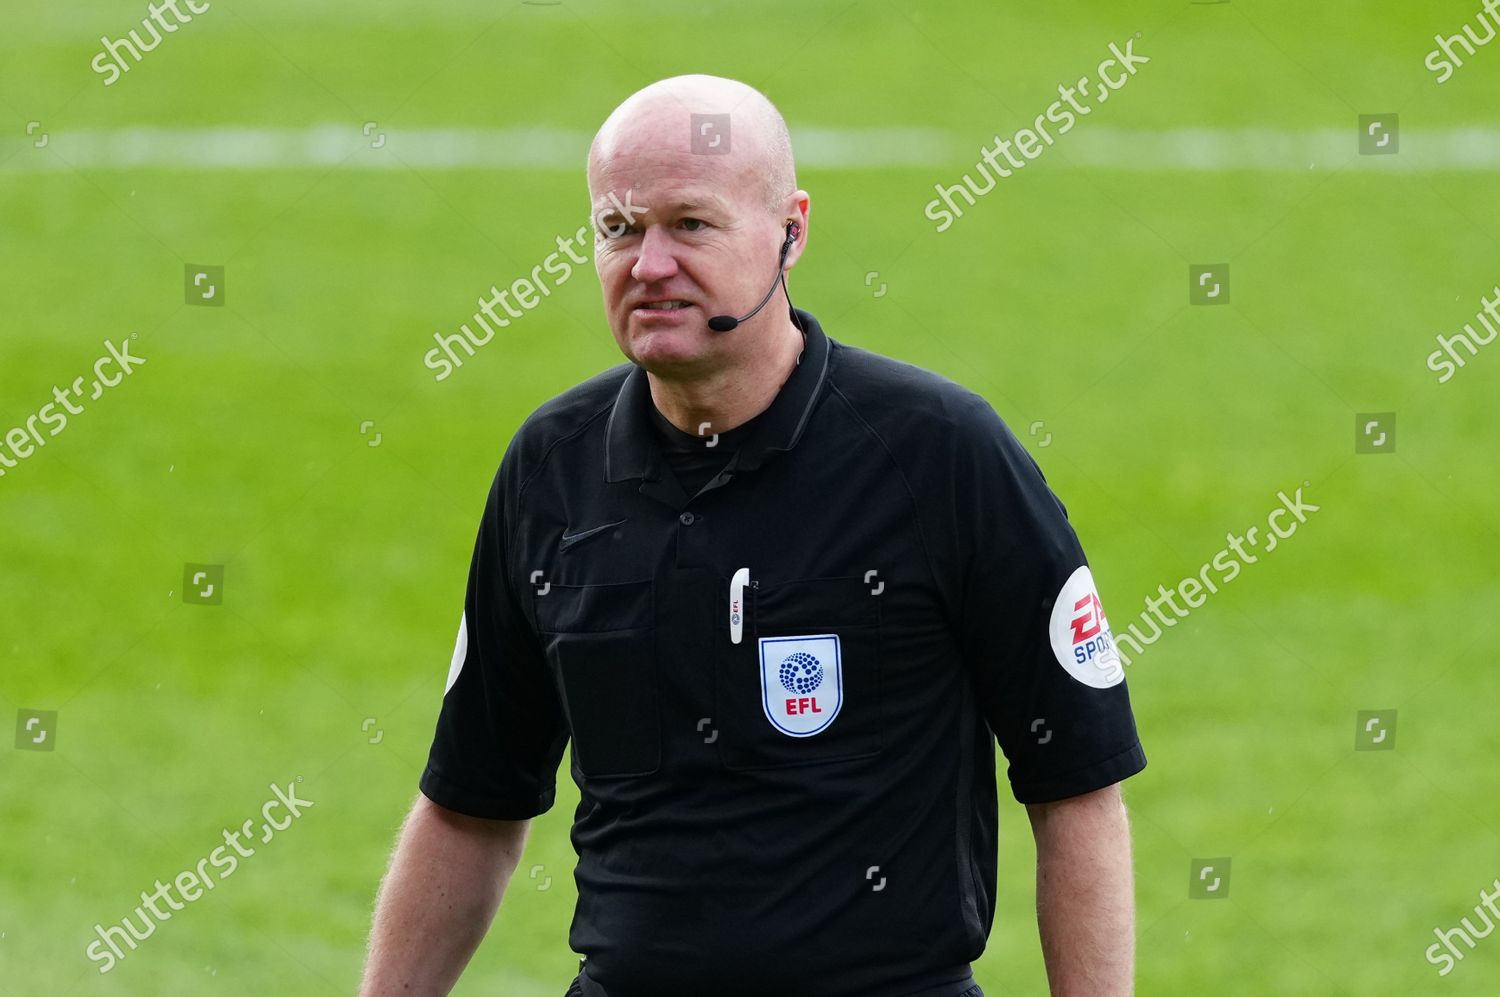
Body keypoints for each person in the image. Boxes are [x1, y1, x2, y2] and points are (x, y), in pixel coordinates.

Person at [360, 74, 1146, 997]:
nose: (648, 264)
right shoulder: (552, 469)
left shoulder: (941, 456)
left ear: (791, 229)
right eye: (619, 228)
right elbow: (470, 807)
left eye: (690, 224)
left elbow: (1076, 787)